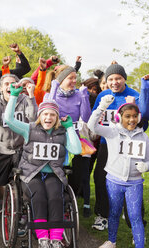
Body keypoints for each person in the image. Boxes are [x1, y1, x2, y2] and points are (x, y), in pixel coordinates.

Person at [4, 83, 81, 248]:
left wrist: (69, 129)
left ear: (56, 117)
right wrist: (14, 96)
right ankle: (42, 237)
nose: (48, 118)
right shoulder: (29, 129)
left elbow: (76, 149)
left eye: (52, 115)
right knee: (38, 197)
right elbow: (9, 120)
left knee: (55, 197)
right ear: (40, 115)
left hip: (53, 173)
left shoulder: (61, 132)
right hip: (31, 173)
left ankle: (55, 237)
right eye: (45, 114)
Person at [88, 96, 149, 248]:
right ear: (119, 117)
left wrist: (146, 166)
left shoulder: (144, 137)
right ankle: (112, 241)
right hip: (113, 181)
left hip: (134, 183)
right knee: (114, 213)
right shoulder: (112, 132)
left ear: (139, 117)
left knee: (135, 216)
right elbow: (92, 126)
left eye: (134, 116)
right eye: (127, 116)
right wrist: (101, 107)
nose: (132, 120)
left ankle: (139, 245)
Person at [91, 63, 139, 231]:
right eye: (110, 79)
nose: (114, 82)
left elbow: (143, 124)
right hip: (107, 144)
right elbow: (93, 118)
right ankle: (102, 215)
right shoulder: (103, 95)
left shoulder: (134, 95)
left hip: (128, 145)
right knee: (100, 177)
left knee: (130, 178)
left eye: (118, 78)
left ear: (124, 78)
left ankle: (131, 212)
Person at [0, 74, 37, 215]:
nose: (10, 86)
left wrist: (31, 96)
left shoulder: (25, 100)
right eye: (6, 84)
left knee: (25, 183)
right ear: (1, 88)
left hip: (23, 148)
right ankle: (2, 202)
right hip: (3, 148)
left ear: (19, 86)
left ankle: (23, 208)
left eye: (13, 83)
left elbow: (33, 119)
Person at [44, 65, 92, 217]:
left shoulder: (79, 94)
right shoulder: (50, 95)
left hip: (73, 139)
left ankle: (67, 205)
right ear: (61, 80)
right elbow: (49, 109)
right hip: (54, 141)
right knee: (56, 176)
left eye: (75, 78)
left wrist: (84, 96)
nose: (74, 81)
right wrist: (54, 88)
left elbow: (86, 118)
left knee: (75, 177)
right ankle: (55, 206)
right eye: (70, 78)